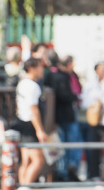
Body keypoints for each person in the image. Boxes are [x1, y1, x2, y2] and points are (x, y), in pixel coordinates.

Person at [43, 51, 80, 182]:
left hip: (57, 115)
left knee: (63, 145)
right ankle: (65, 171)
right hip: (65, 115)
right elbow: (63, 95)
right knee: (68, 145)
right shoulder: (60, 76)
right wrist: (75, 97)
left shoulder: (54, 75)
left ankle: (64, 171)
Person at [14, 58, 49, 186]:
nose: (42, 70)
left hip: (23, 122)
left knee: (26, 161)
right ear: (31, 68)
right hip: (30, 125)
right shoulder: (31, 85)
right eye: (40, 66)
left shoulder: (23, 83)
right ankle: (25, 186)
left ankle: (23, 185)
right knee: (38, 161)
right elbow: (34, 109)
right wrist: (40, 130)